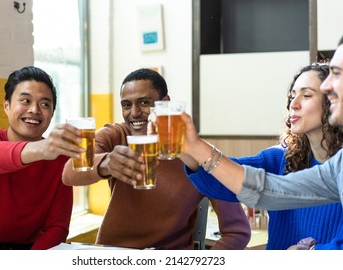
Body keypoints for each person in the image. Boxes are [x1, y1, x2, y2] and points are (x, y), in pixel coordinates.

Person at [170, 36, 343, 249]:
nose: (293, 104)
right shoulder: (281, 158)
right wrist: (183, 146)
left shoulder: (337, 167)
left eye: (306, 95)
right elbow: (232, 182)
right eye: (292, 96)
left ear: (332, 99)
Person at [62, 68, 251, 250]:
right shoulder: (115, 136)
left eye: (144, 103)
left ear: (165, 103)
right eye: (126, 105)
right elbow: (69, 173)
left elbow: (237, 232)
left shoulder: (199, 155)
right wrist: (106, 163)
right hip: (113, 253)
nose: (134, 113)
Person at [0, 66, 83, 250]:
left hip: (32, 253)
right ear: (7, 106)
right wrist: (40, 149)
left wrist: (28, 263)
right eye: (25, 100)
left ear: (52, 113)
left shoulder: (59, 159)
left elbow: (57, 227)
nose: (34, 110)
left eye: (45, 104)